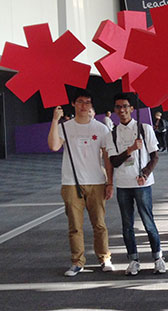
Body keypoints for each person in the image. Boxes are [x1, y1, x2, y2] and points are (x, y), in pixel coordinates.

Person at [47, 88, 115, 277]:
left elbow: (107, 157)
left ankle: (104, 257)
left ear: (91, 105)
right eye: (80, 102)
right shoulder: (65, 127)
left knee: (99, 224)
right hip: (71, 183)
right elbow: (53, 146)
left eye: (87, 102)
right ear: (73, 104)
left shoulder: (101, 129)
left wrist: (110, 182)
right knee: (75, 226)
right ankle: (77, 262)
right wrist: (55, 120)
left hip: (97, 182)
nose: (84, 106)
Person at [106, 93, 165, 276]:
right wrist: (130, 149)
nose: (122, 110)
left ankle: (158, 257)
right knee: (127, 224)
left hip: (142, 184)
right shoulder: (113, 133)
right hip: (123, 184)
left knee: (148, 222)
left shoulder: (144, 128)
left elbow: (155, 156)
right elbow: (114, 161)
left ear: (132, 108)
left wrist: (145, 174)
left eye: (125, 106)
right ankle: (133, 259)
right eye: (118, 107)